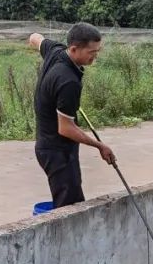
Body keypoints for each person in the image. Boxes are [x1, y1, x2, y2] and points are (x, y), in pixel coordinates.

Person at [28, 22, 116, 208]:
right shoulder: (68, 81)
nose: (95, 56)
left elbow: (35, 38)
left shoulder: (55, 50)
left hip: (47, 145)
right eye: (91, 52)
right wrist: (100, 145)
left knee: (68, 200)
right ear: (74, 49)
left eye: (97, 50)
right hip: (57, 151)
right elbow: (66, 128)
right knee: (69, 208)